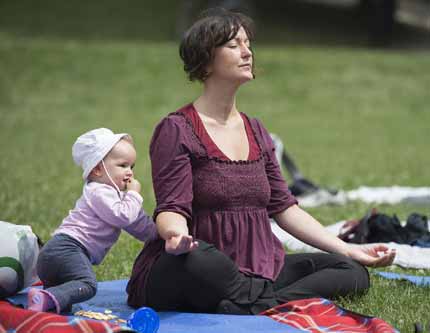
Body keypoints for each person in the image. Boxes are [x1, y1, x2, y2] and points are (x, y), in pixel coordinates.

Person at [127, 8, 395, 315]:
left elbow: (285, 208)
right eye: (233, 45)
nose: (247, 52)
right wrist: (176, 235)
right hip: (195, 266)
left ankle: (255, 302)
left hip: (258, 266)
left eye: (248, 43)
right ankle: (262, 299)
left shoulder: (255, 129)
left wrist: (349, 248)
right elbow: (171, 208)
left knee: (351, 271)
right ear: (205, 59)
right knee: (200, 258)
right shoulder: (177, 129)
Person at [28, 128, 157, 313]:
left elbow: (138, 224)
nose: (130, 173)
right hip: (67, 249)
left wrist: (162, 233)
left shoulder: (116, 198)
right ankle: (48, 297)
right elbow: (123, 216)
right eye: (123, 165)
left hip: (56, 256)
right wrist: (134, 195)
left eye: (132, 167)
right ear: (97, 169)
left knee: (59, 309)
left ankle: (44, 302)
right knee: (87, 284)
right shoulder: (98, 191)